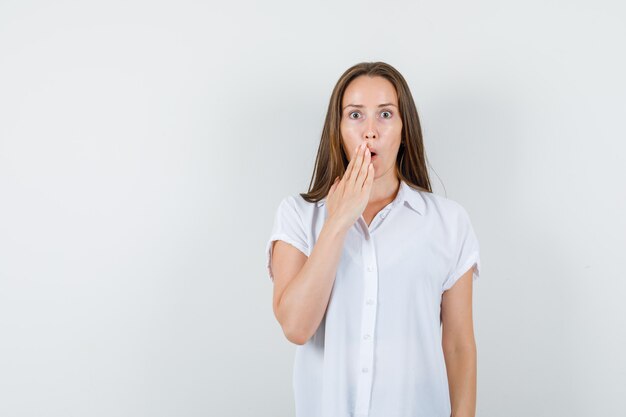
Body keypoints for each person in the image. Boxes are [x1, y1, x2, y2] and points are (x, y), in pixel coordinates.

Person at [265, 61, 481, 417]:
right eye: (355, 115)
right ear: (337, 130)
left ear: (404, 129)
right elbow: (296, 327)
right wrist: (337, 223)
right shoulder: (298, 216)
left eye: (384, 114)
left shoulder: (448, 222)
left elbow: (458, 346)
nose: (370, 131)